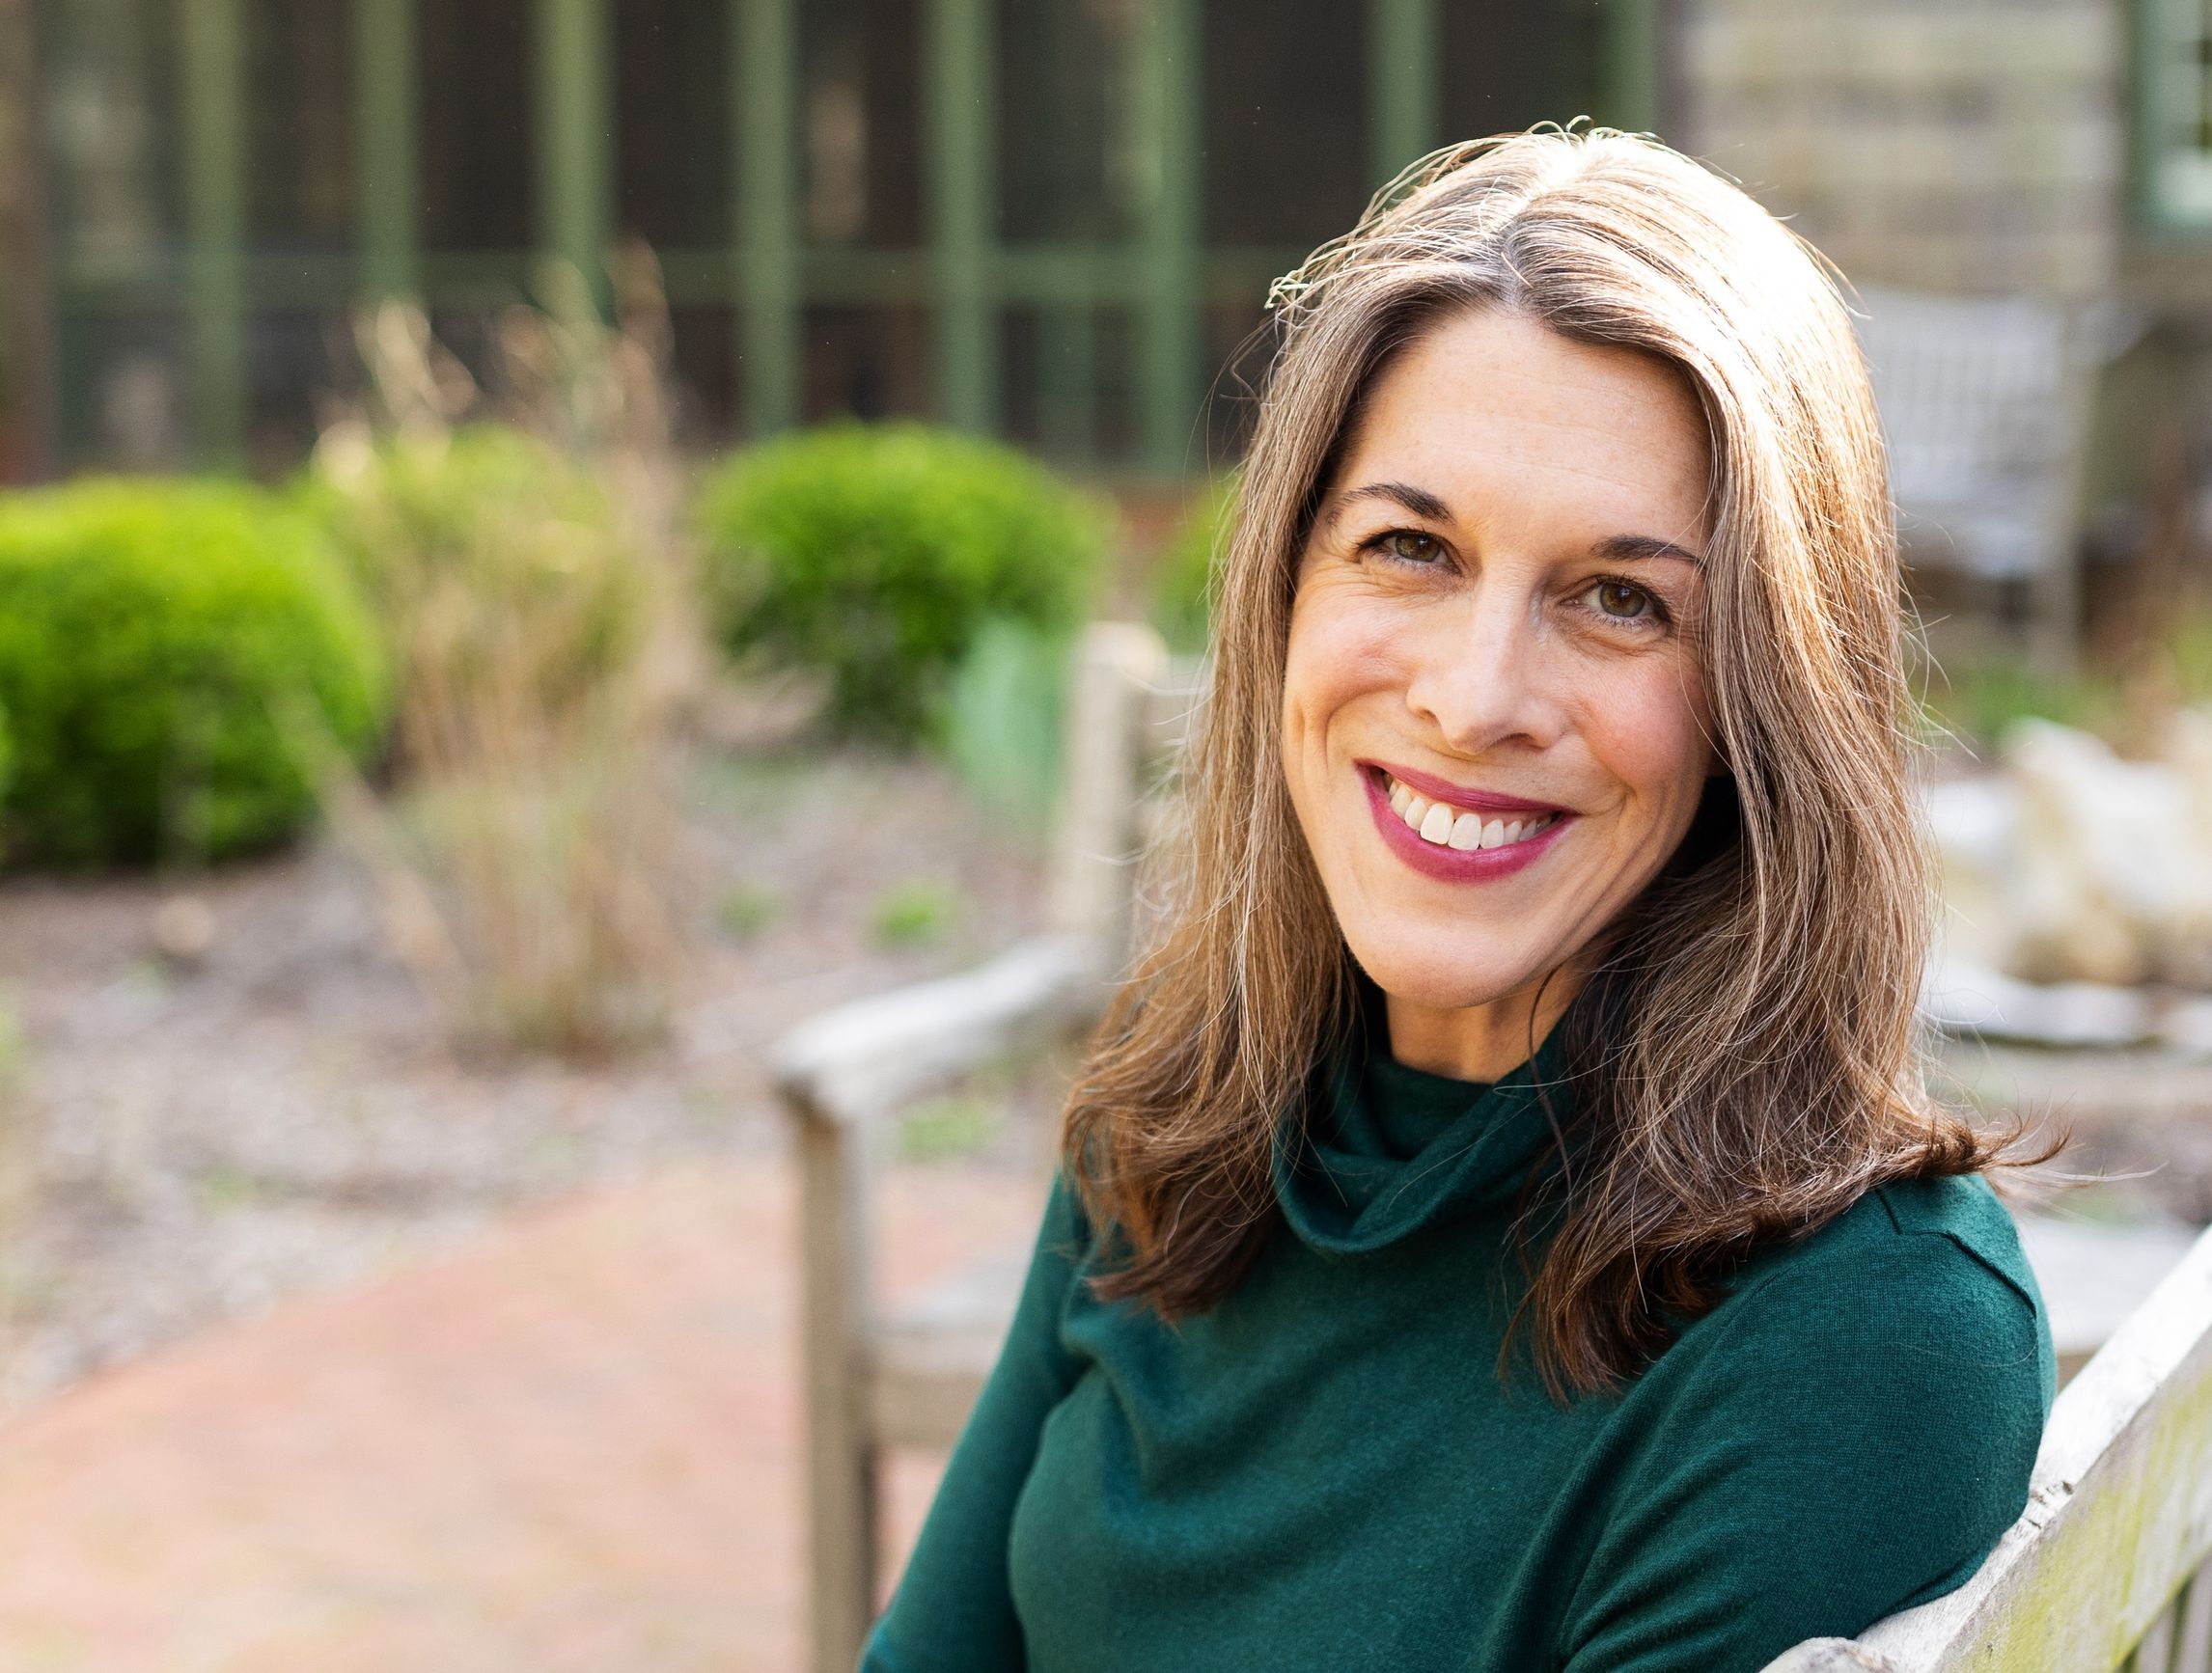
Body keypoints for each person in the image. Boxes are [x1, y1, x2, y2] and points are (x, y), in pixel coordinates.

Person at [864, 127, 2054, 1673]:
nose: (1476, 696)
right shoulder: (1187, 1102)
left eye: (1620, 598)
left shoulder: (1862, 1334)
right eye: (1410, 546)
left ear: (1766, 702)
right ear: (1286, 588)